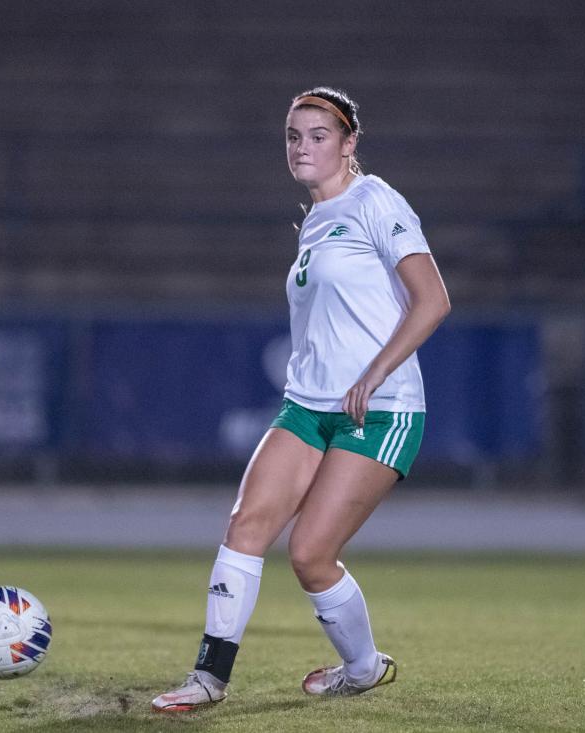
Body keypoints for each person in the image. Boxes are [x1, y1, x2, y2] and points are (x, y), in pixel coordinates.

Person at [151, 87, 451, 711]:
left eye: (319, 135)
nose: (304, 146)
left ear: (348, 145)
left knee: (311, 555)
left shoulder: (376, 200)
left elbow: (434, 301)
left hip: (383, 408)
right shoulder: (315, 221)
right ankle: (208, 680)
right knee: (245, 524)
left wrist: (372, 374)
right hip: (306, 404)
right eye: (294, 135)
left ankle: (363, 668)